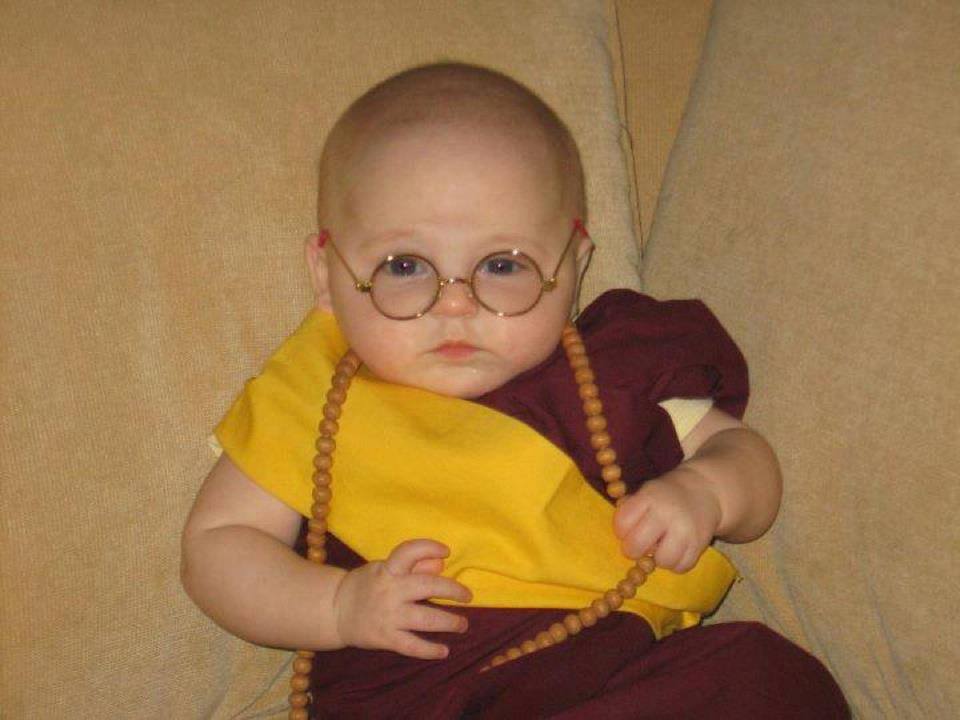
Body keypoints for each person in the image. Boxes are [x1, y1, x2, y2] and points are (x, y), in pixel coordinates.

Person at [181, 62, 848, 718]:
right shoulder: (313, 397)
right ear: (325, 274)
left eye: (502, 264)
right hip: (415, 697)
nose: (456, 304)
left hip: (611, 680)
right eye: (405, 266)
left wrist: (707, 491)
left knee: (765, 676)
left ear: (575, 264)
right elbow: (218, 544)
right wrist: (335, 606)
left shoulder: (619, 365)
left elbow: (744, 456)